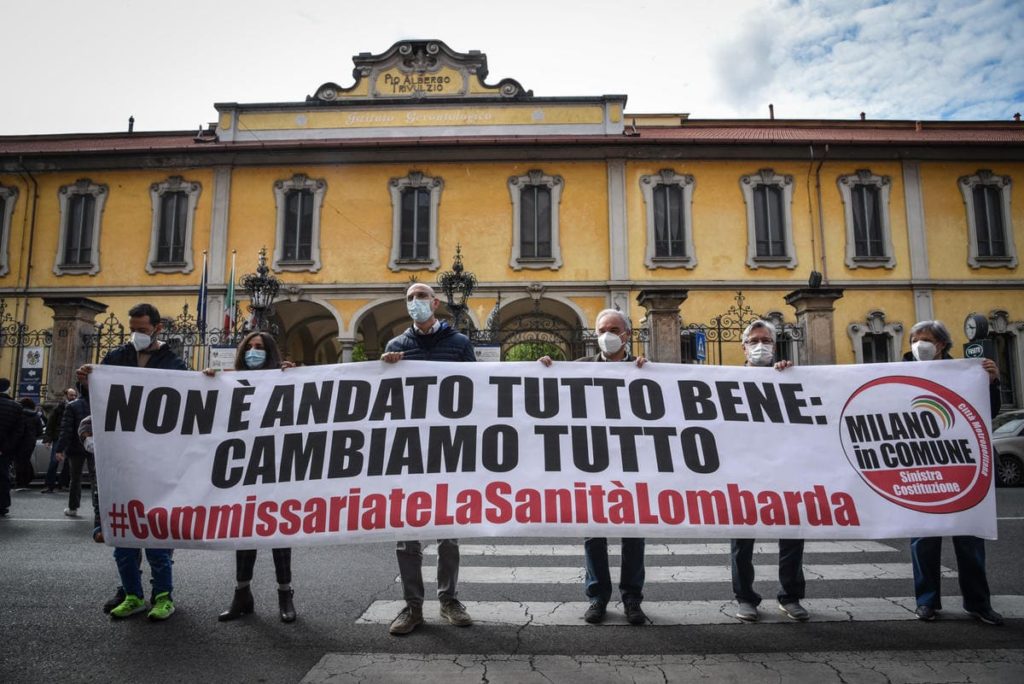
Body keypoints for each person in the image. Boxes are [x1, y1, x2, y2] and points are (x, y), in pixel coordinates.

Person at [77, 303, 189, 621]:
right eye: (133, 329)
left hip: (155, 462)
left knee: (155, 538)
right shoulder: (115, 358)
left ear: (157, 328)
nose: (136, 334)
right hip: (121, 464)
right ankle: (131, 595)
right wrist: (88, 381)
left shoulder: (172, 362)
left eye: (142, 329)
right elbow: (98, 405)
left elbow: (187, 400)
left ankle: (163, 596)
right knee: (123, 539)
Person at [539, 308, 649, 625]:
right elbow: (551, 396)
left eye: (614, 329)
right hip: (591, 461)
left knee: (634, 532)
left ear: (627, 334)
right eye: (602, 329)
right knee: (594, 533)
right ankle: (598, 596)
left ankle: (632, 599)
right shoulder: (577, 369)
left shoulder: (644, 369)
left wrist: (647, 372)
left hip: (632, 461)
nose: (607, 335)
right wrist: (544, 370)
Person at [380, 282, 475, 635]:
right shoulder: (395, 347)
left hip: (449, 450)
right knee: (407, 536)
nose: (415, 302)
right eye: (409, 298)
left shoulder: (460, 345)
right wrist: (384, 369)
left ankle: (449, 600)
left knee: (448, 533)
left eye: (421, 297)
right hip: (410, 452)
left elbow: (476, 393)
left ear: (435, 302)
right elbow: (386, 403)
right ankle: (412, 606)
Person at [904, 320, 1004, 626]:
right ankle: (926, 602)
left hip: (961, 466)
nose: (919, 344)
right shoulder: (898, 370)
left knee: (969, 539)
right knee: (924, 541)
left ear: (942, 345)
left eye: (926, 339)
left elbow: (991, 410)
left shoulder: (967, 371)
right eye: (915, 339)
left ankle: (978, 603)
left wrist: (993, 382)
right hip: (920, 468)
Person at [204, 331, 298, 623]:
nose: (253, 351)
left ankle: (286, 594)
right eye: (249, 347)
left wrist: (294, 378)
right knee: (244, 532)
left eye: (260, 348)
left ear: (270, 353)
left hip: (276, 466)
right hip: (242, 467)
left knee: (279, 532)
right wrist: (207, 380)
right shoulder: (229, 379)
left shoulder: (283, 378)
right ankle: (242, 595)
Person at [730, 319, 809, 622]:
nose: (759, 346)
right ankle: (745, 598)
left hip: (785, 468)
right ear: (743, 346)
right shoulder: (726, 377)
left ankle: (790, 597)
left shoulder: (787, 375)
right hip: (743, 470)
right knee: (742, 539)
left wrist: (790, 374)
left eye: (765, 340)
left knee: (791, 533)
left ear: (775, 346)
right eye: (753, 340)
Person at [55, 387, 91, 517]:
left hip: (76, 446)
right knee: (96, 479)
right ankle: (99, 509)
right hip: (95, 446)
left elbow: (66, 430)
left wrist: (60, 449)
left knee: (75, 478)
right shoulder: (100, 403)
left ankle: (73, 507)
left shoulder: (72, 406)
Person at [42, 387, 77, 493]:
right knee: (54, 461)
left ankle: (63, 484)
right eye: (71, 395)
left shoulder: (76, 406)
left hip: (70, 437)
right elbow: (50, 424)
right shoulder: (59, 408)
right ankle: (49, 485)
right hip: (59, 436)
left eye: (75, 395)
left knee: (68, 462)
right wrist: (48, 439)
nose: (73, 397)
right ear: (66, 396)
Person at [0, 378, 25, 516]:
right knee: (3, 477)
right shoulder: (16, 407)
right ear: (9, 389)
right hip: (4, 450)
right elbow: (19, 431)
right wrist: (7, 447)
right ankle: (2, 505)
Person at [14, 398, 45, 490]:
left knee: (18, 462)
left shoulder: (19, 415)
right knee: (26, 461)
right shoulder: (36, 416)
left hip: (19, 441)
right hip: (30, 441)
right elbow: (40, 431)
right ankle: (25, 482)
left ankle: (20, 482)